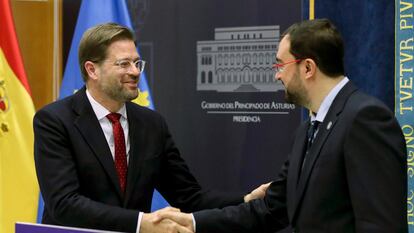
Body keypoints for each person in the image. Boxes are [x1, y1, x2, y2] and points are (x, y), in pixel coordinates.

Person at [155, 18, 408, 233]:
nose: (276, 75)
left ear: (308, 67)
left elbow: (381, 225)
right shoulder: (308, 128)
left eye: (280, 65)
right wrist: (194, 222)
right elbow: (272, 208)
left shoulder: (364, 119)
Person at [33, 23, 268, 233]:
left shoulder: (151, 124)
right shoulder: (54, 121)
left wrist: (246, 199)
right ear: (92, 70)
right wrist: (140, 223)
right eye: (123, 64)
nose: (135, 72)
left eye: (137, 63)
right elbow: (64, 204)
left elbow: (188, 196)